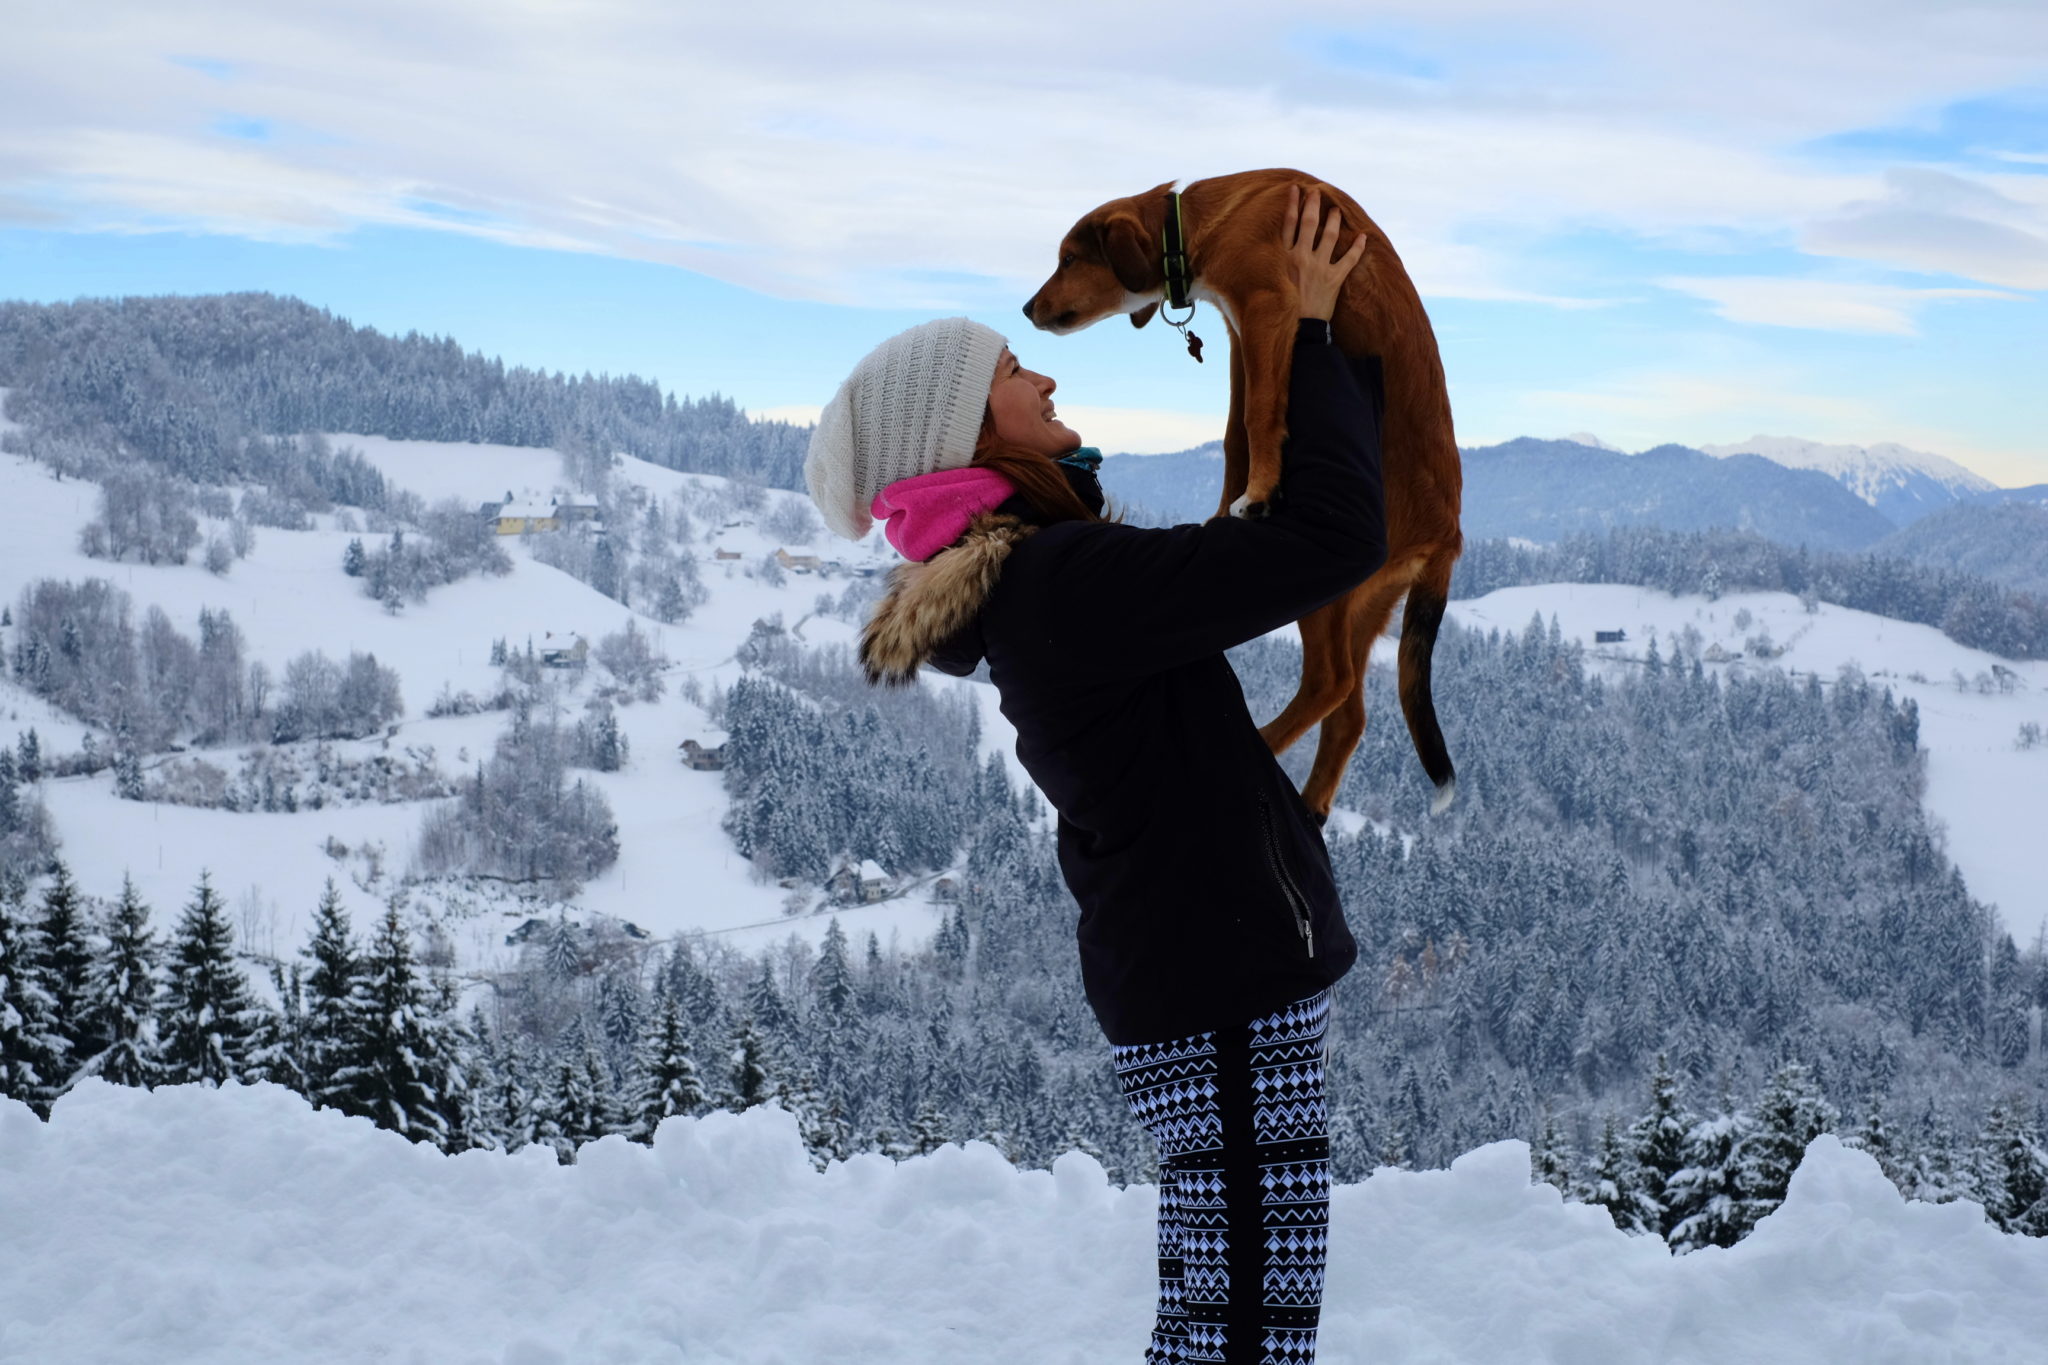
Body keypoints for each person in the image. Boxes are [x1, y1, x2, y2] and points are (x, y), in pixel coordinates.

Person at [803, 188, 1385, 1365]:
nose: (1046, 380)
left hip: (1202, 978)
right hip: (1218, 987)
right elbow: (1331, 542)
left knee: (1221, 1318)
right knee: (1244, 1333)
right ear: (971, 435)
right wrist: (1309, 335)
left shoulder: (1039, 587)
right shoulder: (1061, 585)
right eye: (1017, 371)